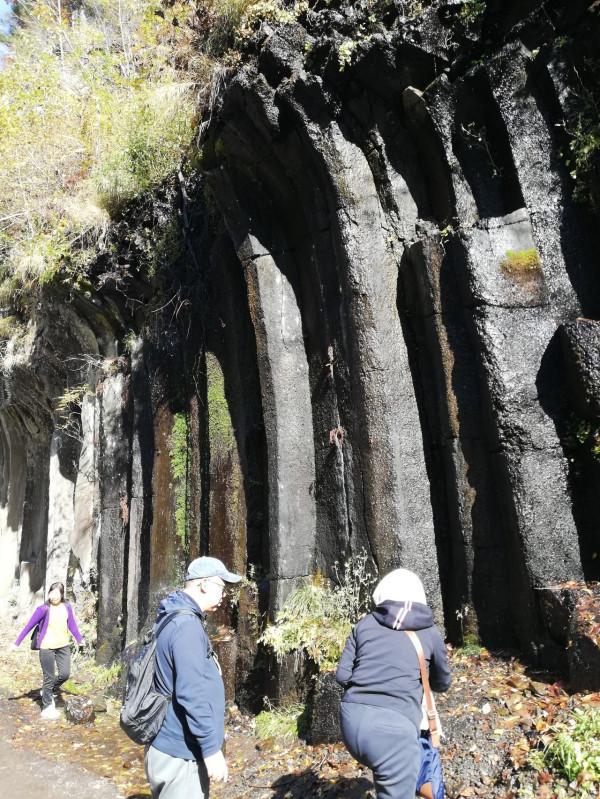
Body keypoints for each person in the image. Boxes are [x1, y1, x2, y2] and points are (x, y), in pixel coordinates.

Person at [336, 568, 451, 799]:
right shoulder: (429, 633)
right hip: (394, 732)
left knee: (384, 767)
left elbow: (342, 675)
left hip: (351, 722)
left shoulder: (364, 624)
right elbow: (442, 682)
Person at [145, 556, 242, 799]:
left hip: (167, 744)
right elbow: (191, 693)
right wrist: (211, 749)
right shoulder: (186, 627)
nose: (224, 595)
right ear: (204, 584)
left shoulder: (172, 614)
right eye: (221, 587)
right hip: (180, 753)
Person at [13, 581, 83, 720]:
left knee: (65, 674)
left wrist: (79, 639)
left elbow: (72, 625)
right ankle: (46, 707)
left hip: (63, 646)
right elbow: (28, 626)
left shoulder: (67, 607)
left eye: (57, 594)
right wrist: (17, 643)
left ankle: (47, 690)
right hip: (47, 647)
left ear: (62, 595)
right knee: (49, 677)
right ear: (49, 593)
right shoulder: (43, 609)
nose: (54, 596)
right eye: (52, 593)